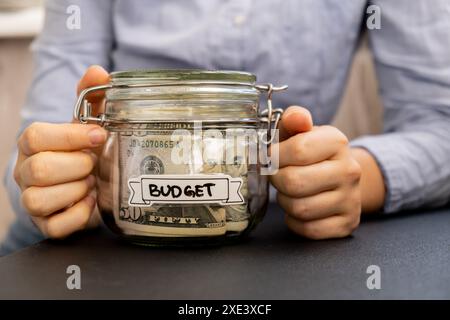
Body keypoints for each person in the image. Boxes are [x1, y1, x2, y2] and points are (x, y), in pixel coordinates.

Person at [2, 0, 450, 255]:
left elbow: (440, 124)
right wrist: (51, 177)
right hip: (88, 243)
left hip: (280, 243)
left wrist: (351, 174)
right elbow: (38, 141)